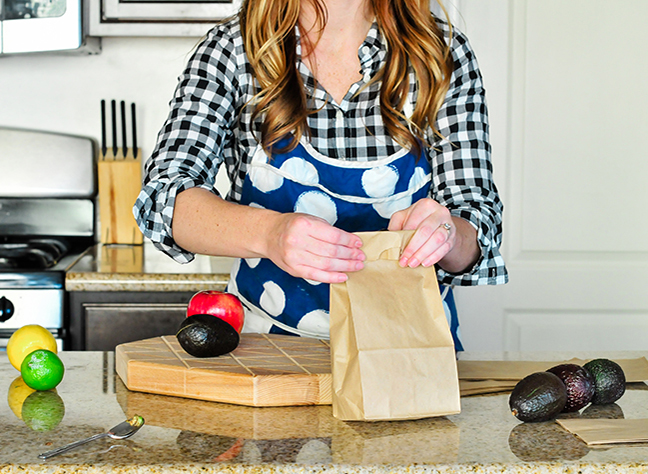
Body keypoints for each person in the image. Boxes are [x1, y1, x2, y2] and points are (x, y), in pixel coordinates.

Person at [133, 0, 508, 351]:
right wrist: (270, 234)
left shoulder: (438, 52)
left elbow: (475, 215)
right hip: (267, 351)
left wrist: (446, 234)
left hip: (408, 351)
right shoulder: (232, 50)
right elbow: (165, 200)